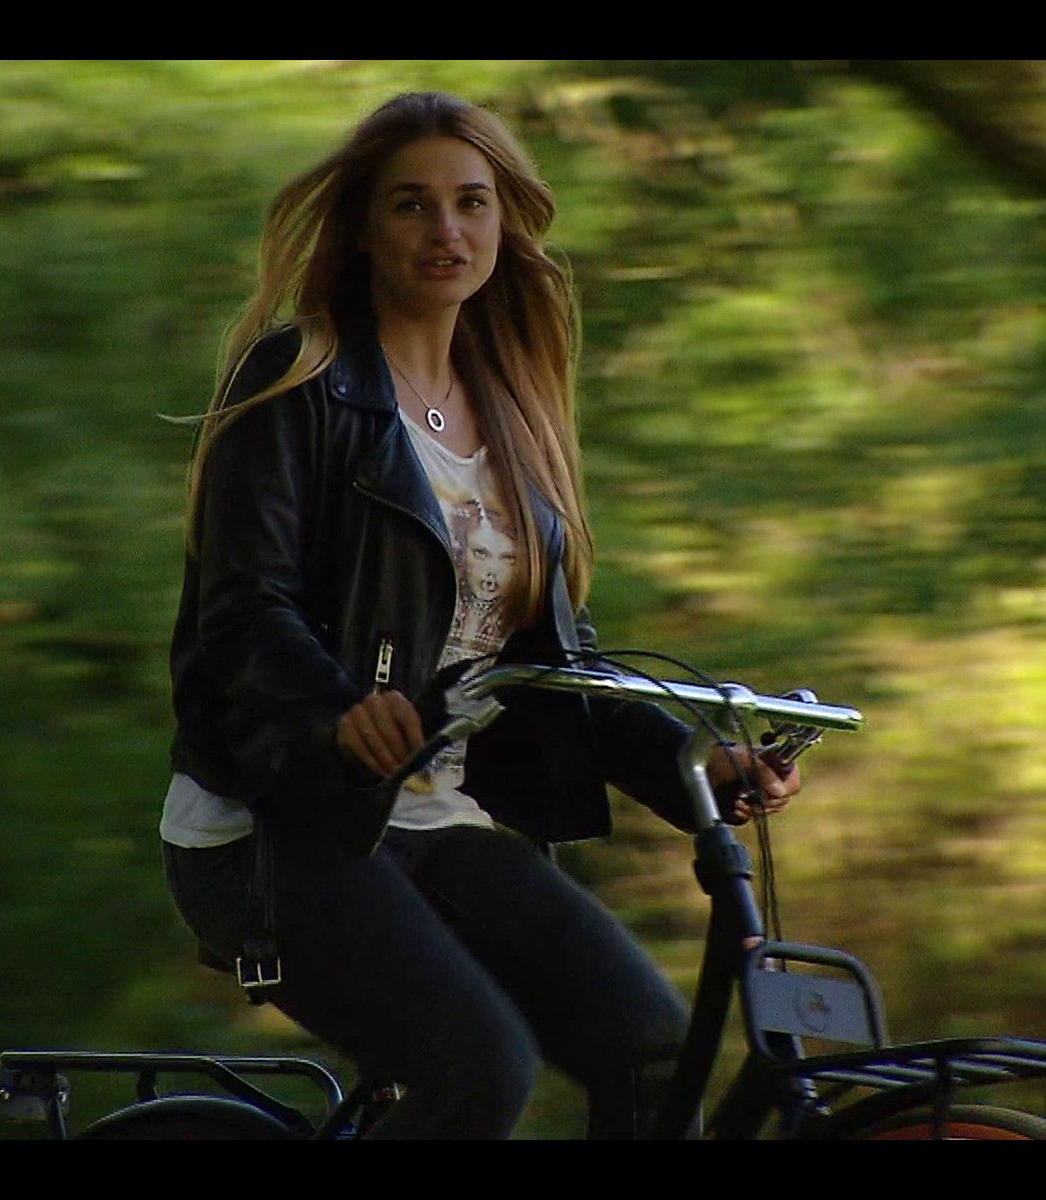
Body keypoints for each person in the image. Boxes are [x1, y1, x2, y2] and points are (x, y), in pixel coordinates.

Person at [158, 90, 802, 1139]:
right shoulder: (302, 377)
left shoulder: (511, 409)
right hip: (284, 822)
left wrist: (698, 768)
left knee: (650, 1052)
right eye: (411, 204)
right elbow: (241, 611)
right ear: (363, 228)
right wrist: (336, 711)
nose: (446, 230)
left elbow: (551, 668)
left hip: (441, 820)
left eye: (472, 202)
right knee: (478, 1068)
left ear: (505, 224)